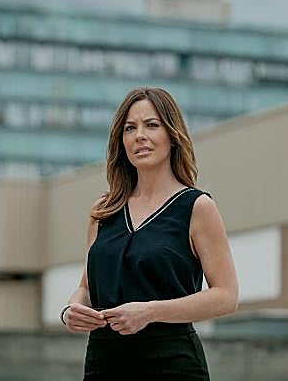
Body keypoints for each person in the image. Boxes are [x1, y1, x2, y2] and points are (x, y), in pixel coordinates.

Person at [60, 86, 238, 380]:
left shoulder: (197, 207)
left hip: (172, 365)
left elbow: (226, 296)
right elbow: (87, 288)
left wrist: (149, 312)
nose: (139, 135)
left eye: (151, 125)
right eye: (130, 128)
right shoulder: (103, 210)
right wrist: (72, 310)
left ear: (172, 135)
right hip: (104, 365)